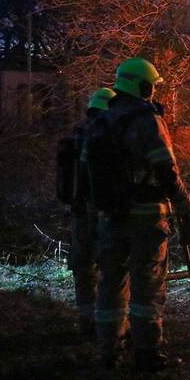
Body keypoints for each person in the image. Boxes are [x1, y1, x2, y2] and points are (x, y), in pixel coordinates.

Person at [88, 58, 190, 371]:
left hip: (112, 217)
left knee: (111, 284)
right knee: (147, 286)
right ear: (143, 85)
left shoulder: (103, 120)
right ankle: (147, 352)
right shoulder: (146, 120)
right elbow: (166, 167)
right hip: (147, 217)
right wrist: (184, 204)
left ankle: (108, 350)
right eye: (152, 86)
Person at [69, 88, 114, 336]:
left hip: (78, 211)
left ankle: (86, 321)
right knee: (110, 265)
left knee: (83, 266)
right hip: (101, 211)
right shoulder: (105, 136)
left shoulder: (78, 136)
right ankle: (108, 323)